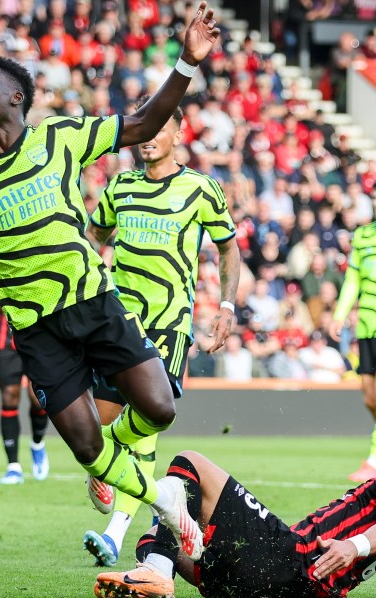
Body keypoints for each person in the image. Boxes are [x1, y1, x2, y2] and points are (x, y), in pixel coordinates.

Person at [0, 3, 224, 562]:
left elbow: (138, 124)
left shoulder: (60, 138)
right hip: (35, 328)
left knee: (161, 409)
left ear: (15, 97)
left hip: (91, 302)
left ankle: (141, 482)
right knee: (88, 446)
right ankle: (166, 502)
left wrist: (186, 62)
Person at [82, 99, 241, 566]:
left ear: (179, 133)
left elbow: (229, 250)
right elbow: (95, 237)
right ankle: (106, 459)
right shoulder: (121, 186)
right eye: (141, 129)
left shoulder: (201, 189)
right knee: (104, 426)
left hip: (167, 326)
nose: (147, 136)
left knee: (150, 420)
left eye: (158, 127)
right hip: (116, 322)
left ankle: (115, 533)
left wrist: (226, 305)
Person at [94, 415, 376, 598]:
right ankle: (167, 564)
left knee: (189, 462)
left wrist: (353, 547)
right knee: (165, 525)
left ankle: (157, 574)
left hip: (290, 558)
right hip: (291, 589)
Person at [329, 178, 376, 483]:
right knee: (370, 398)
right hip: (368, 326)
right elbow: (353, 281)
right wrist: (339, 314)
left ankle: (374, 461)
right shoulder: (362, 235)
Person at [0, 264, 50, 484]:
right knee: (9, 396)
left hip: (38, 336)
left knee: (37, 398)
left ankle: (37, 444)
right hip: (6, 339)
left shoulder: (39, 250)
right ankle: (13, 466)